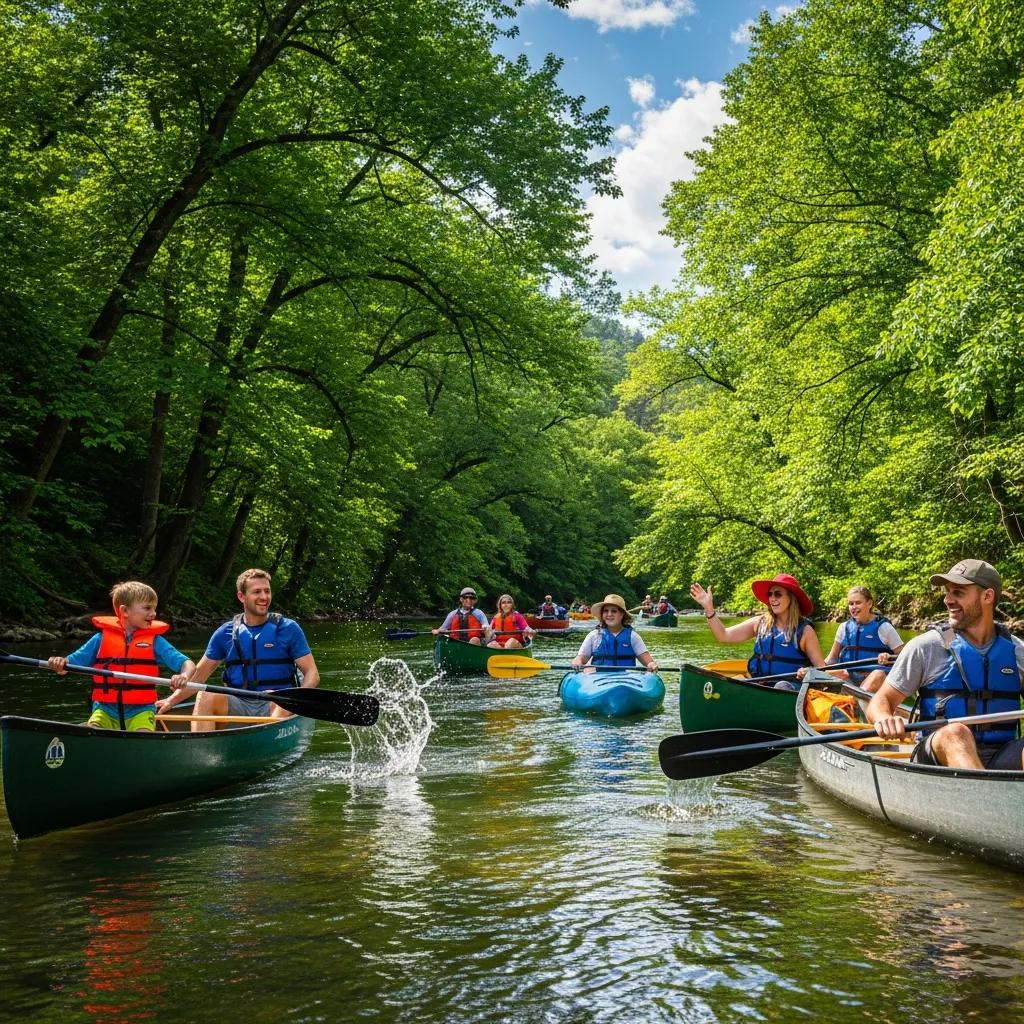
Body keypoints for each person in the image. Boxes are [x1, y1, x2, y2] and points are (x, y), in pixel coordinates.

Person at [868, 559, 1024, 770]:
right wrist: (884, 718)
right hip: (936, 753)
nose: (947, 600)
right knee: (955, 732)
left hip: (1002, 753)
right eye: (947, 592)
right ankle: (984, 797)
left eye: (958, 592)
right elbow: (881, 700)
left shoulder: (1016, 651)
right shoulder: (926, 646)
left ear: (987, 596)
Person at [159, 568, 319, 731]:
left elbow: (312, 673)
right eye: (257, 592)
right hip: (239, 702)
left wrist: (296, 698)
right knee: (205, 694)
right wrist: (171, 701)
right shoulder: (224, 633)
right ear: (241, 596)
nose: (264, 597)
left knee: (282, 704)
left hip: (277, 701)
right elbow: (197, 679)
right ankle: (201, 751)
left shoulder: (288, 628)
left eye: (267, 591)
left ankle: (264, 738)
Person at [47, 580, 195, 731]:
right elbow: (67, 666)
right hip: (105, 709)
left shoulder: (156, 642)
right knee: (94, 730)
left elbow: (187, 664)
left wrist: (183, 676)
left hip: (141, 709)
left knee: (142, 735)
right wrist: (60, 663)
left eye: (154, 608)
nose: (154, 613)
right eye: (147, 608)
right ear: (125, 611)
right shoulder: (100, 639)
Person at [689, 573, 825, 688]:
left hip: (790, 689)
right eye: (770, 594)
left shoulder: (805, 631)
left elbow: (822, 669)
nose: (772, 598)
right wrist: (709, 608)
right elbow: (723, 635)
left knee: (781, 686)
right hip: (759, 685)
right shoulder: (760, 623)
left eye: (778, 594)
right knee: (734, 682)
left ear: (791, 598)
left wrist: (809, 671)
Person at [824, 585, 904, 692]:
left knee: (878, 674)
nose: (854, 607)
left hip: (876, 679)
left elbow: (905, 657)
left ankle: (860, 699)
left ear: (869, 603)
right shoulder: (844, 628)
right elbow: (831, 659)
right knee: (827, 675)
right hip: (850, 676)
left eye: (858, 603)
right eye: (851, 604)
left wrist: (889, 657)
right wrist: (814, 671)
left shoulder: (884, 628)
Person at [570, 594, 659, 673]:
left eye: (614, 611)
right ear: (602, 614)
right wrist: (577, 661)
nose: (609, 614)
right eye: (606, 611)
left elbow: (647, 660)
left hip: (626, 681)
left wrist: (651, 664)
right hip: (598, 680)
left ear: (622, 614)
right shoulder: (594, 636)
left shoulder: (633, 637)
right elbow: (582, 658)